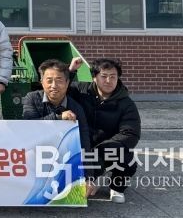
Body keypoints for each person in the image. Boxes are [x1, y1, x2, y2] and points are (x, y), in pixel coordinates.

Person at [68, 57, 141, 204]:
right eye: (104, 76)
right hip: (81, 146)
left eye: (113, 76)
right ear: (94, 77)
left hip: (107, 148)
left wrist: (100, 150)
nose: (108, 81)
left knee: (128, 161)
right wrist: (71, 71)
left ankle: (116, 188)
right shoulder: (81, 91)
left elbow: (130, 133)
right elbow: (60, 90)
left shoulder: (126, 103)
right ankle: (90, 178)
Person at [23, 59, 93, 196]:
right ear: (41, 82)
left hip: (62, 157)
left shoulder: (76, 108)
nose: (54, 86)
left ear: (67, 83)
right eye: (49, 80)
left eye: (59, 81)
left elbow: (84, 142)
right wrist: (58, 118)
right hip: (36, 154)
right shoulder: (32, 98)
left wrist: (88, 177)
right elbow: (29, 127)